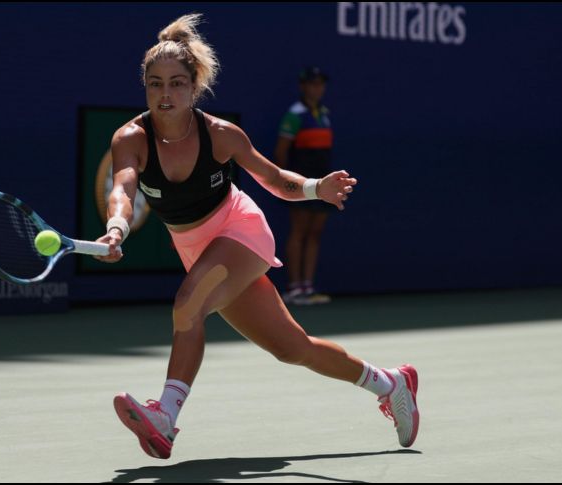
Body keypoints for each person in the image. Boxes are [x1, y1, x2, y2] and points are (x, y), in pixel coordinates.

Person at [95, 14, 419, 460]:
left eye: (176, 84)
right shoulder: (130, 137)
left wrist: (314, 188)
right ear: (145, 87)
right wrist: (117, 226)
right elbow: (122, 188)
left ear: (195, 87)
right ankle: (392, 383)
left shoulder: (221, 134)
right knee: (293, 348)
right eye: (155, 84)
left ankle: (164, 418)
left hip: (238, 231)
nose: (165, 94)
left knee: (188, 305)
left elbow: (273, 178)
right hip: (196, 249)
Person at [274, 66, 334, 305]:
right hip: (302, 183)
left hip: (322, 183)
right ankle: (294, 288)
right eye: (312, 83)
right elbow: (280, 153)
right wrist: (290, 184)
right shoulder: (294, 115)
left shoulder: (325, 113)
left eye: (320, 83)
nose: (317, 88)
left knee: (315, 233)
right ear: (303, 86)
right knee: (299, 232)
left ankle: (307, 287)